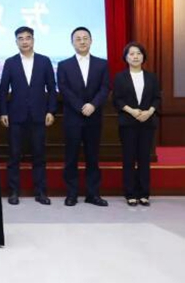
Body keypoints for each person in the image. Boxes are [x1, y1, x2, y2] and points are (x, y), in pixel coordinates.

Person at [0, 26, 57, 205]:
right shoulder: (10, 62)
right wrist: (3, 112)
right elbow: (3, 90)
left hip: (39, 115)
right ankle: (13, 192)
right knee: (14, 156)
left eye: (28, 37)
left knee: (39, 155)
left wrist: (51, 111)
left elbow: (52, 88)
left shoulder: (44, 61)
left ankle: (41, 192)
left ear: (33, 40)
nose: (25, 41)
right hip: (16, 116)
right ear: (16, 42)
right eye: (21, 38)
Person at [57, 27, 110, 207]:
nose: (82, 41)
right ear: (72, 43)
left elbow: (105, 88)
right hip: (73, 118)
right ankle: (71, 194)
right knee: (71, 157)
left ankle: (93, 194)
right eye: (78, 39)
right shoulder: (64, 65)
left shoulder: (102, 64)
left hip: (94, 117)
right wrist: (80, 106)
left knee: (92, 157)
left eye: (85, 38)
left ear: (91, 41)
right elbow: (64, 89)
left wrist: (93, 105)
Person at [113, 42, 161, 207]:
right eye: (131, 54)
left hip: (147, 122)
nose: (135, 57)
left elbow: (157, 98)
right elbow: (117, 99)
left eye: (138, 53)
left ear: (143, 57)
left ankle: (144, 193)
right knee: (129, 158)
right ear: (126, 58)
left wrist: (149, 112)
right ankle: (130, 193)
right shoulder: (120, 77)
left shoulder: (151, 77)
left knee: (144, 158)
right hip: (128, 122)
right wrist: (132, 111)